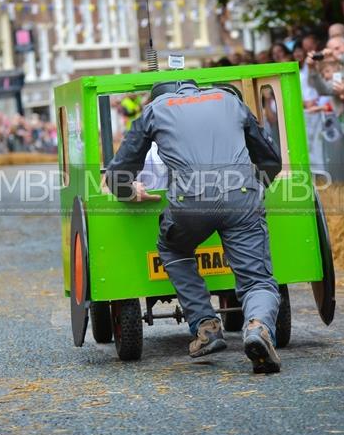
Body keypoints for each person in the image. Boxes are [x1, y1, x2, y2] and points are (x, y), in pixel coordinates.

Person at [104, 79, 283, 373]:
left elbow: (116, 175)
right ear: (196, 89)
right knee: (257, 280)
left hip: (190, 201)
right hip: (241, 196)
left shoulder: (153, 110)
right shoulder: (230, 101)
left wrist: (129, 192)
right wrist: (254, 191)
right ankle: (258, 327)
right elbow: (270, 160)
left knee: (174, 249)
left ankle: (206, 326)